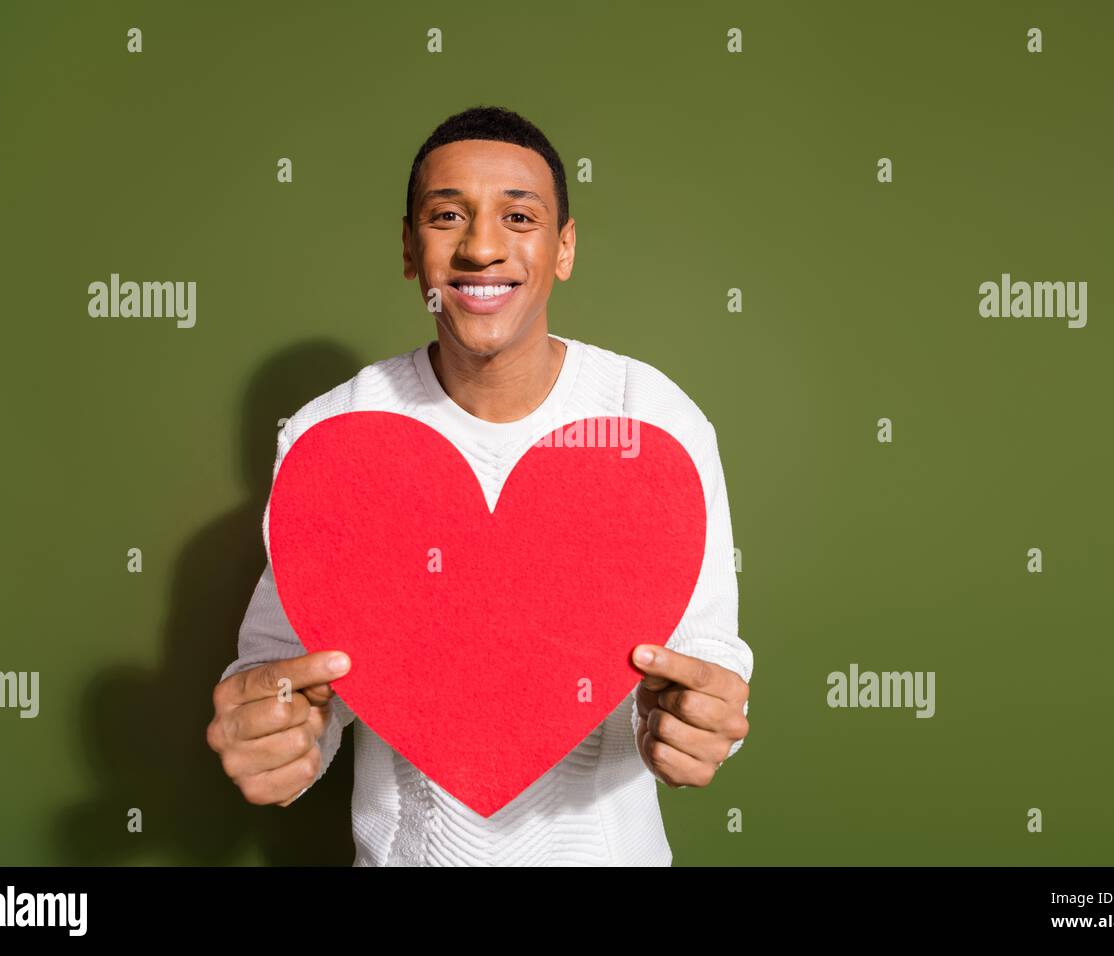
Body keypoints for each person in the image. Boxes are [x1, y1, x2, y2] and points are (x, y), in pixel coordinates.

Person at [206, 105, 752, 865]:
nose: (482, 247)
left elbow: (702, 649)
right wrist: (275, 728)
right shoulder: (339, 434)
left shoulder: (651, 422)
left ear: (564, 248)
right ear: (408, 248)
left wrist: (692, 721)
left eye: (519, 216)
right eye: (447, 215)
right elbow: (289, 672)